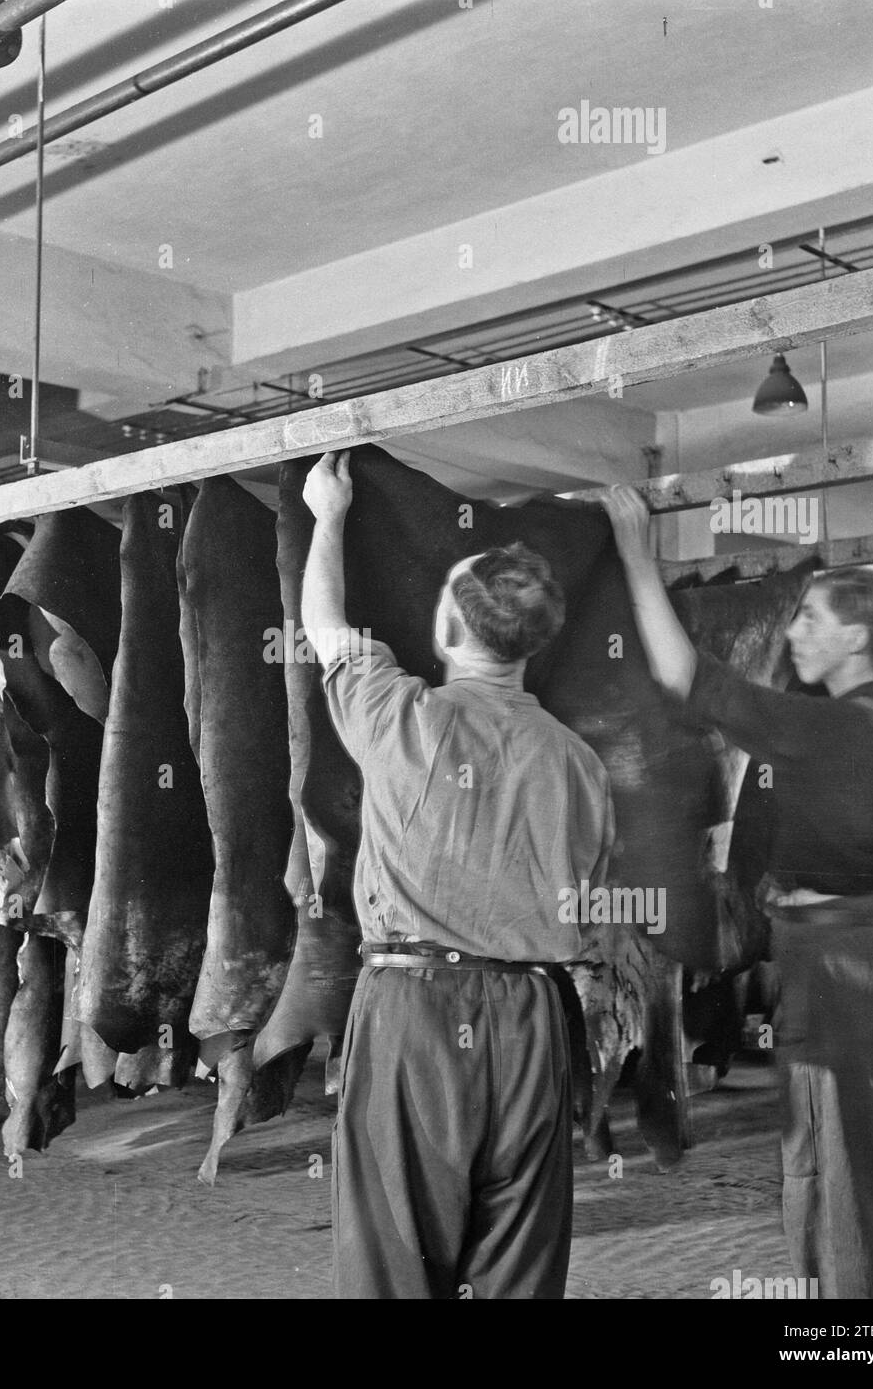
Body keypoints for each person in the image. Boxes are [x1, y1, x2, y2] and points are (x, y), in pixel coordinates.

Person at [600, 484, 873, 1300]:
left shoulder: (830, 728)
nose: (790, 630)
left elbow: (686, 677)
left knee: (833, 1174)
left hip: (835, 975)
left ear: (856, 637)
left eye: (809, 618)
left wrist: (634, 552)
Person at [300, 450, 615, 1299]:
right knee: (516, 1261)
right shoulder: (580, 764)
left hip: (414, 1011)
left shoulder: (401, 716)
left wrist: (326, 515)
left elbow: (325, 629)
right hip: (532, 1017)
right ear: (536, 643)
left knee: (395, 1254)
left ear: (445, 629)